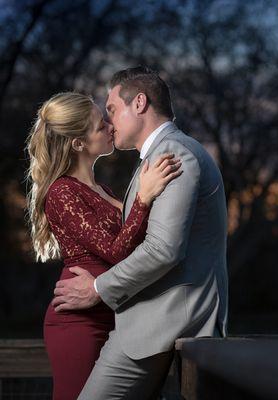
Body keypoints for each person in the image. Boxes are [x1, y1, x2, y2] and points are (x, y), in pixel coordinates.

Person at [52, 66, 229, 399]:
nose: (109, 121)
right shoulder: (161, 156)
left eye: (112, 110)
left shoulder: (174, 155)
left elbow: (163, 250)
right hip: (150, 319)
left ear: (140, 104)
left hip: (161, 321)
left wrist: (97, 289)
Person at [25, 91, 183, 399]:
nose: (111, 126)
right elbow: (116, 250)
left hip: (115, 310)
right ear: (78, 144)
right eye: (100, 125)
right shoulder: (62, 193)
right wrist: (143, 198)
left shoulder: (101, 188)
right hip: (80, 321)